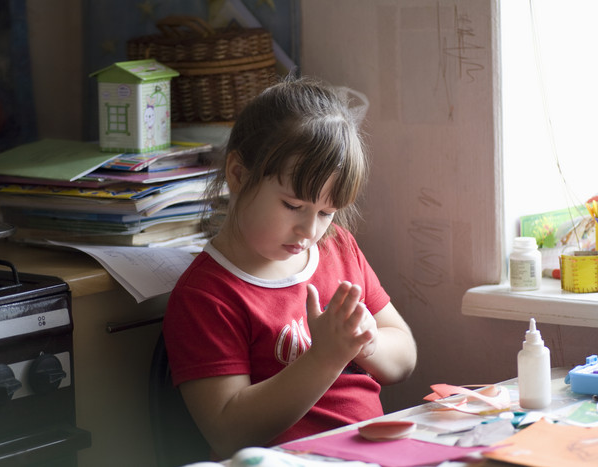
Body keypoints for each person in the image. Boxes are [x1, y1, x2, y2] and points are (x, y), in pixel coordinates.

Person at [163, 76, 417, 459]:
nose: (309, 230)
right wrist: (326, 356)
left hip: (371, 451)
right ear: (238, 175)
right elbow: (227, 430)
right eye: (293, 206)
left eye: (327, 213)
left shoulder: (338, 249)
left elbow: (404, 359)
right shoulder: (207, 295)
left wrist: (368, 341)